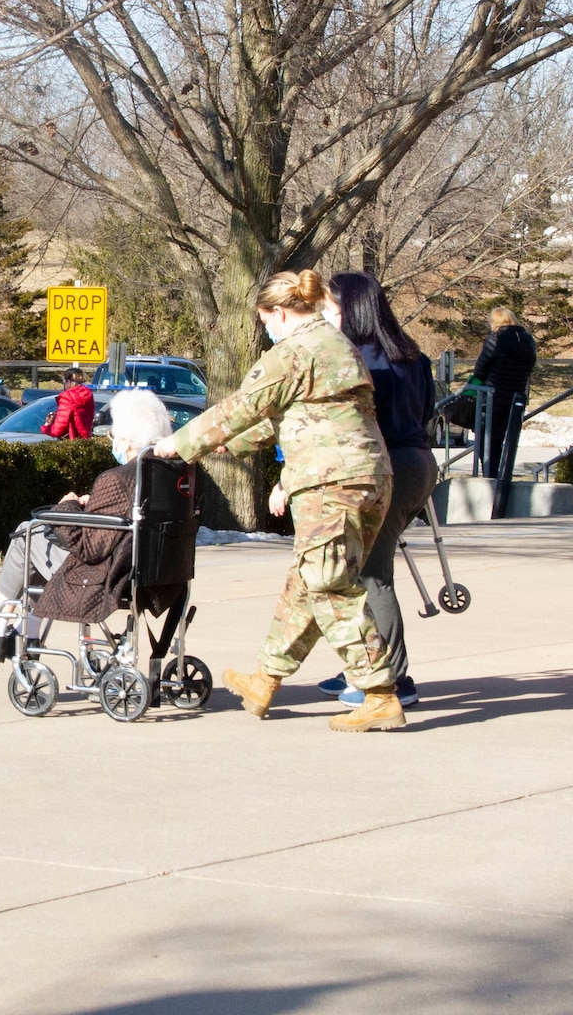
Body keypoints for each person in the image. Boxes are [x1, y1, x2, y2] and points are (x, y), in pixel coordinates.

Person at [154, 269, 403, 733]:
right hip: (369, 476)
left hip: (330, 482)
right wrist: (237, 444)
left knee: (328, 585)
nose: (265, 329)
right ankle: (266, 680)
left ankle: (380, 693)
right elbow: (301, 414)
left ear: (280, 312)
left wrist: (181, 444)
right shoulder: (337, 345)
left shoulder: (292, 352)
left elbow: (241, 406)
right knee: (308, 584)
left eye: (265, 320)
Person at [0, 389, 174, 662]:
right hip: (158, 576)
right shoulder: (168, 475)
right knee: (39, 539)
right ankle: (23, 631)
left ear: (126, 441)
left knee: (27, 533)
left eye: (113, 435)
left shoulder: (117, 478)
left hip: (108, 577)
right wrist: (93, 504)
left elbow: (89, 547)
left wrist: (69, 505)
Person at [315, 272, 438, 712]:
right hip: (418, 461)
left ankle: (393, 677)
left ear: (351, 309)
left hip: (384, 467)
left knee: (369, 571)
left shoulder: (359, 359)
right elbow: (425, 412)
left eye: (330, 309)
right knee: (359, 567)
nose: (325, 317)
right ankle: (360, 663)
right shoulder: (412, 355)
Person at [471, 307, 536, 502]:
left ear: (495, 321)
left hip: (492, 397)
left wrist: (471, 387)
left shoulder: (496, 338)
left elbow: (481, 368)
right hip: (515, 399)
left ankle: (490, 482)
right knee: (505, 441)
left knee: (486, 442)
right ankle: (502, 479)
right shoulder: (527, 340)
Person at [41, 367, 95, 439]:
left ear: (68, 382)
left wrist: (46, 427)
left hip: (69, 442)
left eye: (64, 382)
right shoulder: (88, 395)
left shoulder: (67, 398)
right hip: (85, 439)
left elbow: (57, 430)